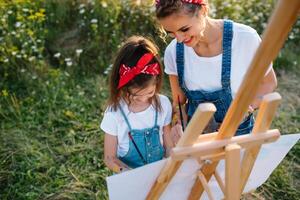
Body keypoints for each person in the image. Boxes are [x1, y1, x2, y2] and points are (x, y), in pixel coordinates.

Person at [155, 0, 277, 136]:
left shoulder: (245, 38)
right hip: (196, 137)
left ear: (203, 11)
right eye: (170, 33)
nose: (179, 39)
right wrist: (177, 123)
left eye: (184, 29)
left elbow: (268, 83)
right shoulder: (173, 52)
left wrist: (246, 109)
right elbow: (179, 102)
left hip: (238, 134)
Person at [100, 36, 174, 172]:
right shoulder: (114, 113)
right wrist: (127, 173)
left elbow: (169, 145)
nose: (143, 99)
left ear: (157, 81)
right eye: (135, 96)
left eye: (150, 93)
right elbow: (109, 157)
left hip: (160, 172)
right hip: (129, 176)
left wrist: (171, 164)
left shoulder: (163, 104)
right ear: (121, 86)